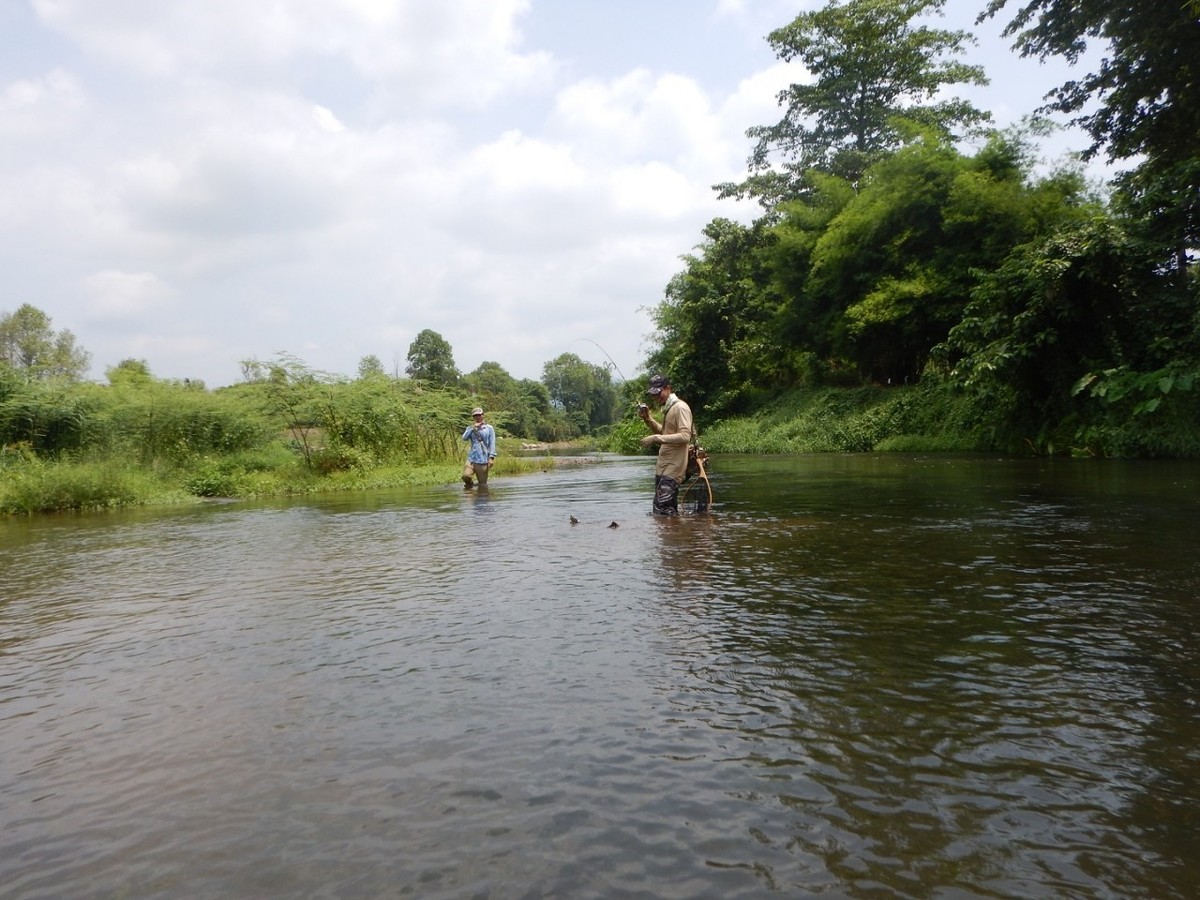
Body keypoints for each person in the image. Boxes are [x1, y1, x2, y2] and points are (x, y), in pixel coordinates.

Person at [638, 374, 693, 515]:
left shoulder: (680, 407)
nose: (656, 398)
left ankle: (672, 535)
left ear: (668, 388)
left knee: (662, 509)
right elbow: (665, 432)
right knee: (663, 510)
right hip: (663, 467)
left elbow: (685, 436)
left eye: (658, 393)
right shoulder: (668, 408)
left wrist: (656, 438)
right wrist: (648, 419)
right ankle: (673, 535)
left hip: (673, 468)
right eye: (653, 395)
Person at [461, 406, 496, 489]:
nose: (477, 417)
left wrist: (491, 458)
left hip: (483, 459)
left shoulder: (489, 428)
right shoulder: (470, 428)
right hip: (472, 458)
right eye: (475, 416)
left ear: (483, 415)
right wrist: (472, 428)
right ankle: (470, 490)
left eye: (479, 415)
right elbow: (464, 438)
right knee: (466, 476)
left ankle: (481, 499)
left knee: (482, 485)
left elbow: (492, 443)